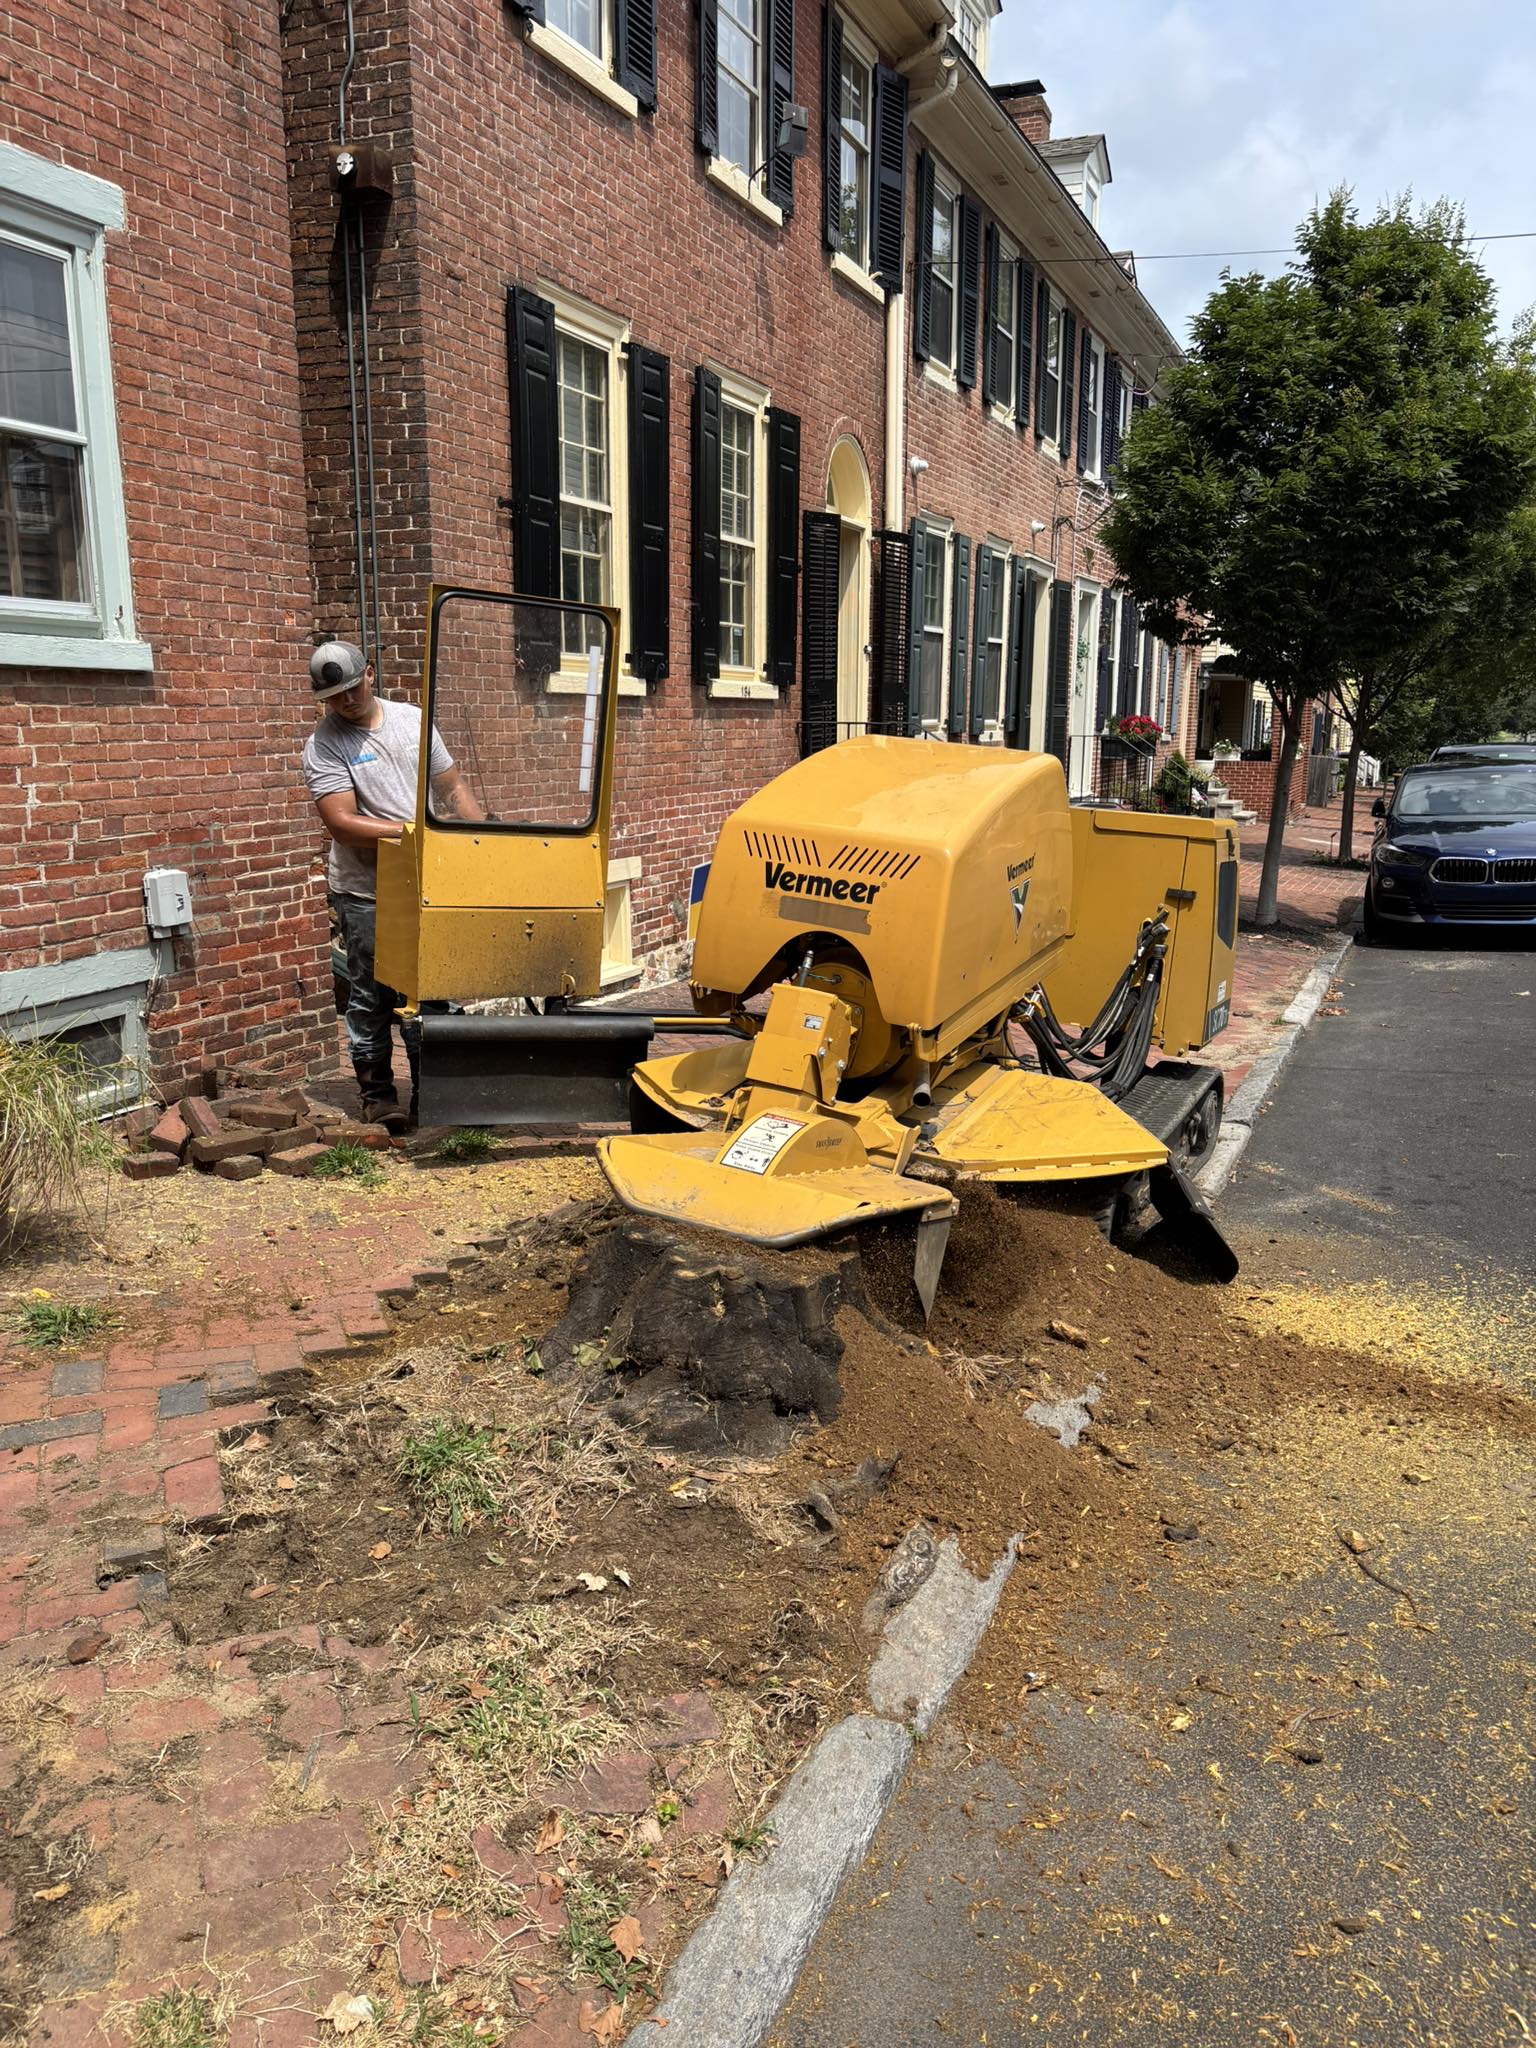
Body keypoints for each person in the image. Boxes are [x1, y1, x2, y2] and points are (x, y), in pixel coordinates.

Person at [300, 640, 482, 1128]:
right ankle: (379, 1095)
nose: (346, 701)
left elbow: (451, 786)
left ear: (371, 674)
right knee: (372, 997)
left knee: (436, 991)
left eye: (352, 688)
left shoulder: (413, 721)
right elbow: (342, 824)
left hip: (428, 884)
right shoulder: (324, 744)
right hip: (368, 892)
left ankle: (435, 1095)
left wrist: (480, 837)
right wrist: (416, 834)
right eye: (334, 696)